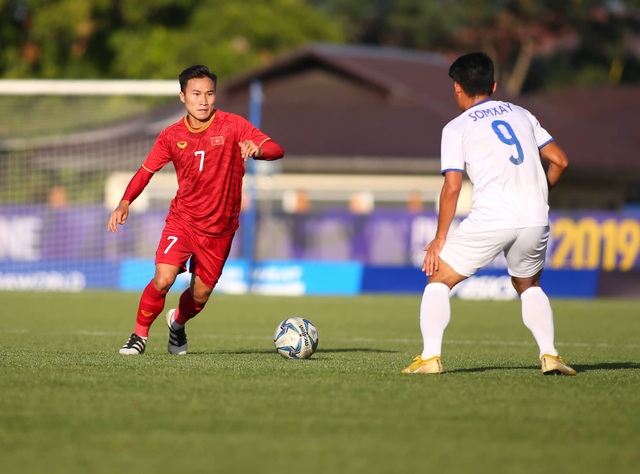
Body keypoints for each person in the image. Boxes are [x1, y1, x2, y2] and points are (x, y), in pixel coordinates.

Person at [402, 52, 575, 376]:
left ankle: (429, 358)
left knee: (438, 279)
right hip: (535, 215)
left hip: (493, 216)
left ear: (457, 88)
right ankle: (550, 355)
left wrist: (440, 239)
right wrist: (539, 193)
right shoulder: (522, 114)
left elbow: (452, 187)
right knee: (529, 285)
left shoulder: (456, 127)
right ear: (494, 85)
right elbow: (560, 161)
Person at [108, 65, 284, 355]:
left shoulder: (234, 125)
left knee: (199, 296)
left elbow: (277, 149)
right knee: (163, 279)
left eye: (209, 93)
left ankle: (177, 323)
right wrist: (125, 201)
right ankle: (138, 336)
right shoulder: (171, 135)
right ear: (182, 97)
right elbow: (145, 171)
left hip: (220, 229)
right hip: (183, 221)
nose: (203, 100)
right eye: (196, 94)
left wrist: (258, 149)